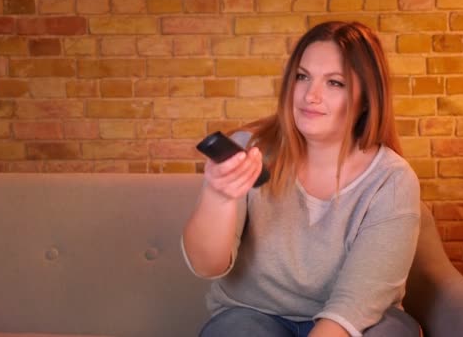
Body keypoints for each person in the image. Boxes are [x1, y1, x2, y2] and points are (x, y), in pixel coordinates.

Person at [181, 21, 422, 337]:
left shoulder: (392, 179)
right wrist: (219, 196)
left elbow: (356, 303)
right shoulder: (248, 149)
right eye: (302, 77)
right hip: (254, 315)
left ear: (366, 98)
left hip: (355, 321)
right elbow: (206, 266)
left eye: (335, 83)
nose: (311, 95)